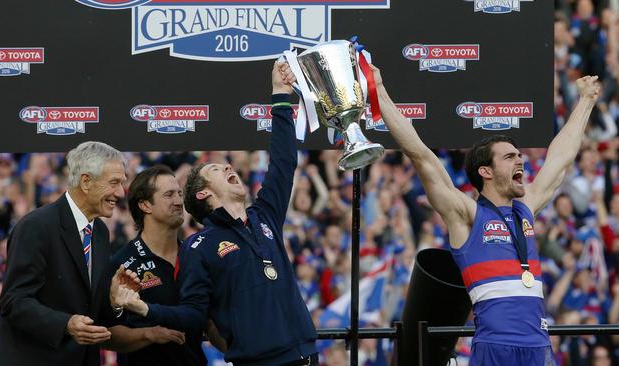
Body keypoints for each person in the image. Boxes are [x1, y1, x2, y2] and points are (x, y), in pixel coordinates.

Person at [371, 63, 600, 365]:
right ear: (485, 171)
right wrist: (378, 88)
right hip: (495, 348)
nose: (521, 160)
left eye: (519, 155)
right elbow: (420, 154)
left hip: (539, 348)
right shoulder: (467, 214)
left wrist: (586, 100)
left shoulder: (526, 207)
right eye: (509, 157)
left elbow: (561, 156)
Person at [114, 61, 319, 365]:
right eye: (216, 169)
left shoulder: (265, 216)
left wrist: (279, 94)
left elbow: (284, 162)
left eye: (226, 165)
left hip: (307, 357)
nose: (227, 166)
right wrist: (145, 310)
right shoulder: (200, 247)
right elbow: (194, 314)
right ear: (203, 193)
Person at [0, 141, 128, 366]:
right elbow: (14, 301)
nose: (121, 193)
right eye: (114, 183)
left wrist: (115, 302)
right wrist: (66, 324)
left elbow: (88, 308)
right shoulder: (36, 226)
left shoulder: (100, 231)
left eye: (122, 183)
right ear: (86, 181)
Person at [109, 165, 226, 365]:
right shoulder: (121, 264)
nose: (179, 201)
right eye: (169, 194)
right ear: (145, 205)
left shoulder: (197, 257)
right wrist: (148, 334)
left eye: (180, 193)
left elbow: (208, 323)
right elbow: (108, 333)